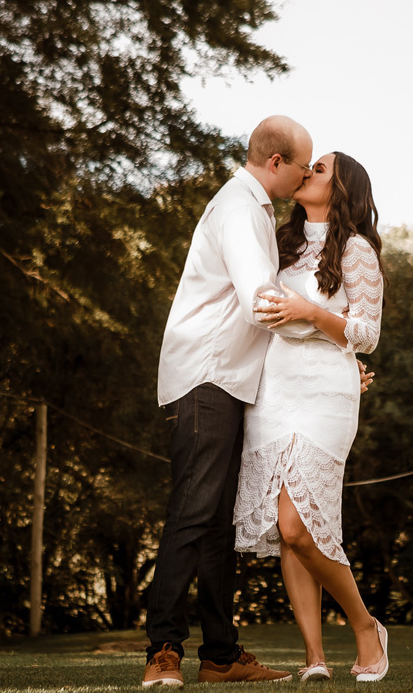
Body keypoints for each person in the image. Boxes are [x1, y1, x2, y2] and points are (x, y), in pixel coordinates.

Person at [143, 115, 315, 688]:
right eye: (303, 166)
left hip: (228, 382)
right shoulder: (241, 208)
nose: (306, 176)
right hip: (207, 377)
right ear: (276, 162)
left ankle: (220, 655)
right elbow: (260, 301)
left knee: (218, 525)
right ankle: (162, 650)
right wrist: (328, 338)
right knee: (194, 513)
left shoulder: (254, 208)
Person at [234, 151, 389, 683]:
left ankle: (365, 626)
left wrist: (310, 314)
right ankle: (315, 658)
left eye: (319, 169)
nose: (307, 172)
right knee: (286, 530)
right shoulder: (280, 242)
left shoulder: (356, 249)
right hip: (274, 388)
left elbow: (366, 333)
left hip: (325, 393)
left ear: (342, 189)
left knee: (300, 526)